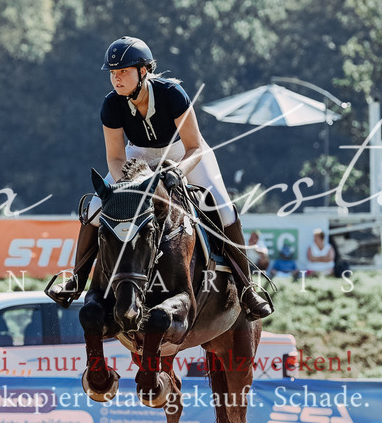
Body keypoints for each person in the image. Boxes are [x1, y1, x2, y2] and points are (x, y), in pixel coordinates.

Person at [46, 36, 272, 320]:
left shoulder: (172, 94)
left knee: (225, 210)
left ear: (144, 71)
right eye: (113, 74)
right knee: (93, 208)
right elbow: (115, 158)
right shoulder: (111, 105)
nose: (116, 79)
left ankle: (247, 288)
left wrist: (179, 171)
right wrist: (128, 188)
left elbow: (195, 146)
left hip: (184, 153)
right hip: (137, 157)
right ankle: (76, 280)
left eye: (123, 72)